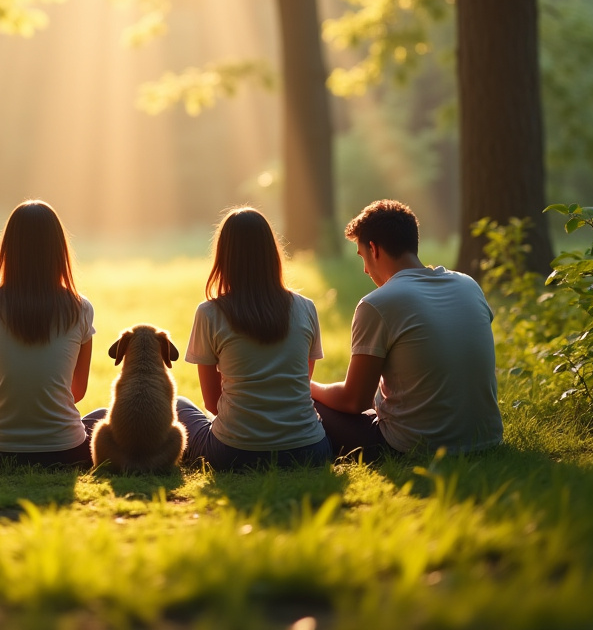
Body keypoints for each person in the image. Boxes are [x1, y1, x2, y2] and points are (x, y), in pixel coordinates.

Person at [311, 199, 503, 461]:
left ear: (374, 249)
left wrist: (305, 386)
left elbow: (354, 401)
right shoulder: (468, 285)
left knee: (306, 405)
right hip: (485, 438)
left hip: (412, 447)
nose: (366, 269)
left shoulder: (378, 303)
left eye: (362, 257)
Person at [179, 208, 333, 470]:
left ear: (224, 257)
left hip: (235, 453)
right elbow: (301, 382)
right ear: (271, 253)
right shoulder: (306, 307)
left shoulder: (209, 313)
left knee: (178, 405)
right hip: (310, 450)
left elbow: (211, 403)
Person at [0, 200, 105, 467]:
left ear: (8, 249)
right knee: (104, 415)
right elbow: (77, 392)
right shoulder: (80, 308)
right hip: (67, 453)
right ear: (59, 250)